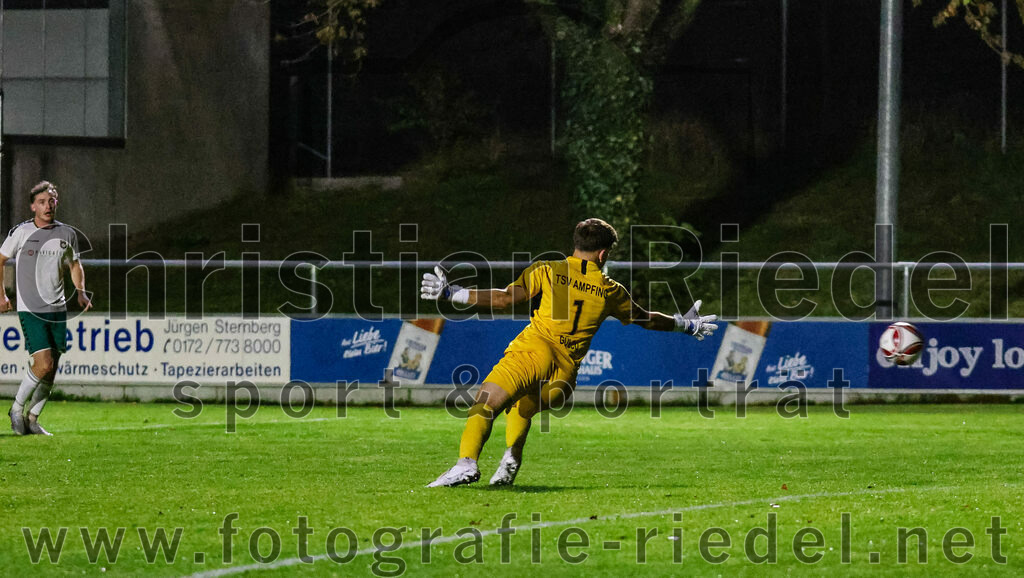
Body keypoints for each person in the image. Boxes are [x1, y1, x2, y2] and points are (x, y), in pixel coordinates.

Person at [421, 218, 717, 487]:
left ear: (575, 244)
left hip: (533, 352)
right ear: (603, 254)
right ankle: (511, 459)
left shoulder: (549, 270)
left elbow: (504, 299)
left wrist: (452, 293)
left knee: (485, 403)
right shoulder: (611, 289)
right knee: (524, 405)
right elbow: (647, 319)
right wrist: (685, 324)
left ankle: (466, 464)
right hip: (564, 378)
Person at [0, 181, 92, 436]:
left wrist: (81, 292)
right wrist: (2, 295)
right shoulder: (21, 232)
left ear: (57, 202)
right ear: (33, 206)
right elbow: (0, 260)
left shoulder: (67, 233)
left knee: (52, 367)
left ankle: (33, 418)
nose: (47, 205)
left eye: (51, 200)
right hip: (30, 308)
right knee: (43, 364)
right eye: (41, 201)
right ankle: (16, 410)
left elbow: (75, 264)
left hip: (58, 308)